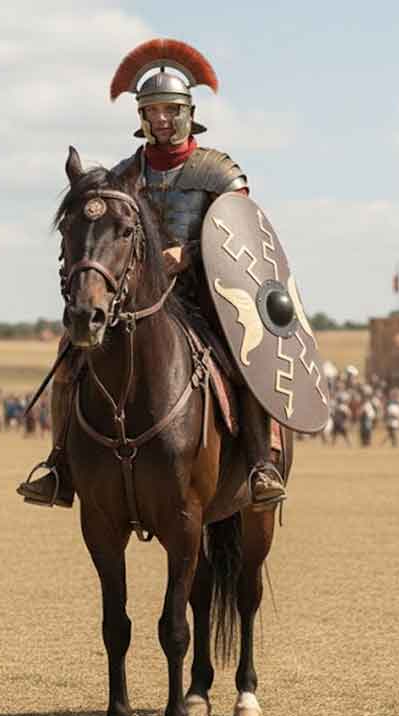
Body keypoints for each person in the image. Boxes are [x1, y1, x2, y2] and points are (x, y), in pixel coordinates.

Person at [19, 39, 285, 509]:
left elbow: (243, 237)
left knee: (246, 353)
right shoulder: (125, 174)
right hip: (137, 298)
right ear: (141, 117)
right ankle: (59, 464)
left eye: (170, 109)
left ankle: (261, 463)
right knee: (70, 352)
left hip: (206, 292)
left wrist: (191, 254)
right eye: (152, 110)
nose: (161, 119)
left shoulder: (219, 171)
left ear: (188, 112)